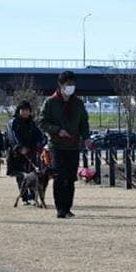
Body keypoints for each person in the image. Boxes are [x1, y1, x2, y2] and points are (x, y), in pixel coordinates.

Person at [38, 70, 90, 219]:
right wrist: (57, 130)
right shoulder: (50, 102)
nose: (71, 87)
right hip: (57, 146)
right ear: (61, 85)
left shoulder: (78, 103)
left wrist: (86, 137)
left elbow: (83, 122)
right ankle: (60, 209)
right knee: (60, 177)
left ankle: (67, 208)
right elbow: (42, 122)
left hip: (73, 146)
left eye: (73, 84)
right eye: (68, 84)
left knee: (71, 178)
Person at [7, 100, 45, 203]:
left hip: (30, 152)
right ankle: (24, 197)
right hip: (17, 154)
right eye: (23, 110)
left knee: (32, 174)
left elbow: (40, 135)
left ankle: (33, 196)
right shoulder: (13, 122)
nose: (25, 112)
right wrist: (19, 147)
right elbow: (12, 136)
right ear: (19, 110)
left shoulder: (31, 123)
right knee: (21, 175)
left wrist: (40, 143)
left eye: (27, 110)